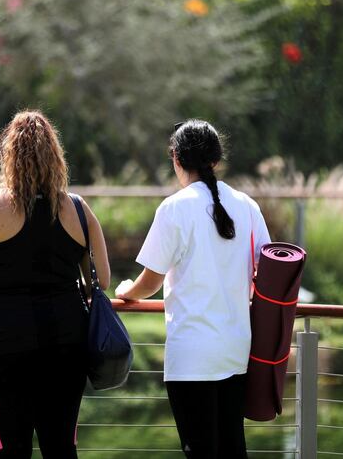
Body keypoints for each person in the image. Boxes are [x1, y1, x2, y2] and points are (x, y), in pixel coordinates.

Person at [0, 110, 111, 458]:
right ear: (56, 156)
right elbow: (101, 281)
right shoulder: (78, 209)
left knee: (9, 452)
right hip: (66, 345)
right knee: (61, 449)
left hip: (3, 345)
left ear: (8, 156)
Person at [115, 119, 271, 459]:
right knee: (232, 448)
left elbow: (151, 282)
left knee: (199, 450)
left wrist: (128, 292)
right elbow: (267, 270)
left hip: (192, 356)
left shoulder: (174, 208)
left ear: (175, 157)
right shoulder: (247, 205)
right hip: (235, 350)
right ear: (216, 160)